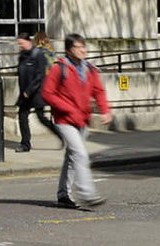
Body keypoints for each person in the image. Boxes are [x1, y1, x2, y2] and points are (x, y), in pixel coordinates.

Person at [41, 32, 110, 211]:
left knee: (72, 158)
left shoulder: (90, 69)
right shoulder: (59, 68)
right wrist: (67, 108)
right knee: (80, 154)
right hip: (64, 120)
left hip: (82, 120)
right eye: (78, 47)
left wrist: (105, 110)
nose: (82, 50)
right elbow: (47, 93)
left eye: (83, 46)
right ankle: (87, 194)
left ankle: (63, 195)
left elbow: (98, 91)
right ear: (69, 50)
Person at [14, 32, 56, 153]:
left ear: (28, 41)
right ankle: (25, 144)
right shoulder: (22, 56)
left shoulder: (38, 54)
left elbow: (40, 76)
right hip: (25, 93)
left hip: (36, 92)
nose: (20, 46)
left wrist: (29, 90)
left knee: (41, 117)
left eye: (21, 43)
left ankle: (60, 133)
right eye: (19, 44)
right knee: (22, 116)